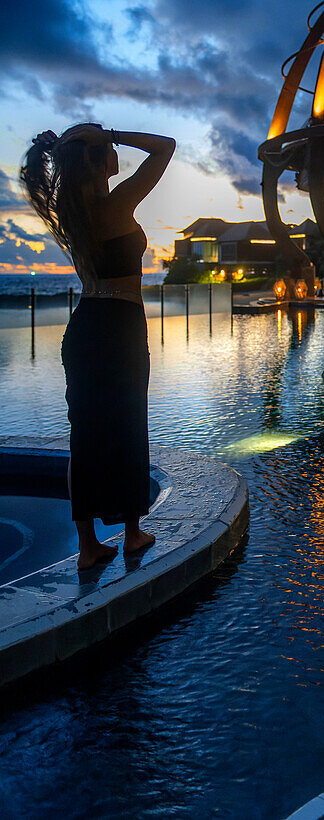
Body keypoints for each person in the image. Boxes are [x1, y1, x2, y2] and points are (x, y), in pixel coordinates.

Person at [20, 124, 176, 570]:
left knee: (85, 436)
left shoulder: (71, 210)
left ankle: (89, 547)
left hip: (87, 326)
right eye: (109, 150)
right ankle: (131, 534)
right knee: (128, 425)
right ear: (94, 160)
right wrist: (112, 130)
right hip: (119, 326)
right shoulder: (114, 204)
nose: (116, 153)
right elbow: (165, 147)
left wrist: (85, 142)